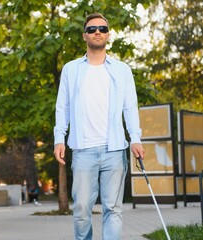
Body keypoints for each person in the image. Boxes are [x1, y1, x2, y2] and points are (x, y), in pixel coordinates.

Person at [53, 13, 145, 240]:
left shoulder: (122, 70)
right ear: (85, 35)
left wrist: (135, 138)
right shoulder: (71, 69)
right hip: (83, 150)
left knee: (113, 209)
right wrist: (59, 138)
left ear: (108, 35)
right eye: (92, 29)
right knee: (82, 209)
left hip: (114, 150)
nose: (97, 32)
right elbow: (62, 106)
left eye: (102, 29)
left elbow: (130, 107)